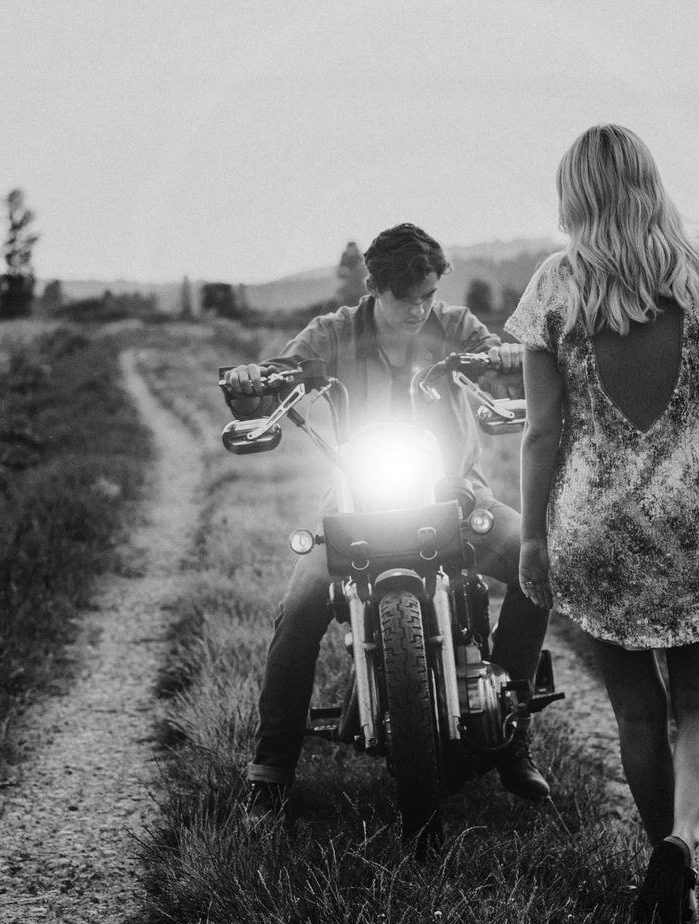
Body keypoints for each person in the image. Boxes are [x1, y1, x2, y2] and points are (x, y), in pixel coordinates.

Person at [507, 125, 699, 924]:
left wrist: (533, 537)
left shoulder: (556, 286)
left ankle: (662, 872)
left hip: (590, 524)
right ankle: (682, 841)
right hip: (690, 521)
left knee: (636, 712)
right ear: (649, 182)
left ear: (574, 195)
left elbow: (540, 432)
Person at [222, 222, 553, 817]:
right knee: (298, 610)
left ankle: (510, 730)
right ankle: (270, 772)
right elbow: (271, 387)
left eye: (428, 295)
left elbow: (517, 368)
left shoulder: (454, 328)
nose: (418, 310)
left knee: (539, 563)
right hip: (356, 505)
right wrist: (251, 386)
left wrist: (509, 358)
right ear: (374, 288)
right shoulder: (333, 334)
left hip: (456, 497)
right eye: (406, 298)